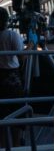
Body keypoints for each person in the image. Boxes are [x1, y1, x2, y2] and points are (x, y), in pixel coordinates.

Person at [0, 9, 25, 138]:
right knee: (18, 110)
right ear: (6, 21)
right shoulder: (11, 35)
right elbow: (22, 57)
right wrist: (32, 45)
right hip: (12, 77)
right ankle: (16, 143)